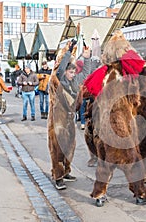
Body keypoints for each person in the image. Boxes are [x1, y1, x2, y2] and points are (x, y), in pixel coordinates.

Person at [47, 40, 91, 190]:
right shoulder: (58, 80)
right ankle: (58, 177)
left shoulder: (74, 82)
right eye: (70, 72)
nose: (72, 74)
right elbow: (59, 70)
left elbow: (85, 73)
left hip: (69, 119)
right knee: (58, 148)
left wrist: (86, 58)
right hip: (58, 118)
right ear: (65, 71)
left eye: (73, 72)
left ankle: (66, 171)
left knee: (69, 146)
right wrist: (69, 51)